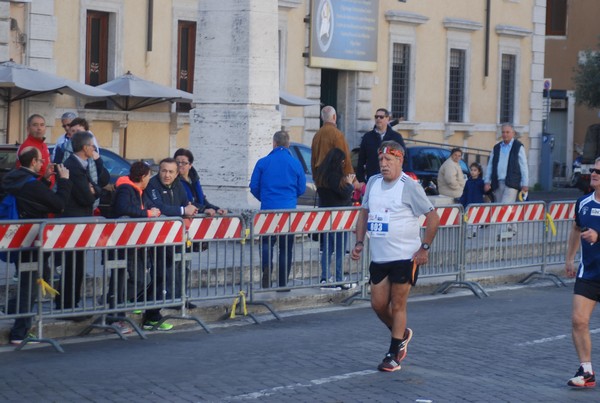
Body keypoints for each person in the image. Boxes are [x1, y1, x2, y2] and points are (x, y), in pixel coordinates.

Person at [351, 140, 440, 372]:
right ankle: (402, 334)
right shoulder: (373, 182)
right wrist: (359, 242)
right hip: (380, 256)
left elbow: (433, 218)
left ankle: (393, 354)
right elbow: (364, 213)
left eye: (388, 160)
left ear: (399, 160)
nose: (383, 164)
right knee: (378, 305)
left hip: (405, 256)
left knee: (398, 304)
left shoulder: (409, 186)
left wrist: (425, 248)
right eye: (381, 159)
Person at [3, 146, 72, 344]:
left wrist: (43, 180)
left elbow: (29, 199)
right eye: (40, 160)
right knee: (29, 285)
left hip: (17, 238)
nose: (43, 163)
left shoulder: (14, 178)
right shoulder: (31, 185)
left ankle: (16, 317)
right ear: (33, 161)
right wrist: (64, 181)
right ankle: (19, 332)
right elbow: (58, 204)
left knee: (31, 282)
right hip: (31, 240)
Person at [57, 131, 110, 314]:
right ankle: (67, 303)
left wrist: (94, 190)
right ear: (86, 147)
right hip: (74, 220)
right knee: (73, 266)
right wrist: (94, 192)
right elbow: (86, 197)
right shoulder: (73, 166)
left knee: (77, 264)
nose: (94, 150)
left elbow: (98, 186)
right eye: (93, 147)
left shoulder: (83, 165)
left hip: (80, 221)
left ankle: (70, 302)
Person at [144, 157, 198, 330]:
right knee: (158, 275)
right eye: (163, 171)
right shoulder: (153, 185)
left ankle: (153, 311)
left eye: (170, 172)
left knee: (166, 275)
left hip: (173, 238)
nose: (166, 175)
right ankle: (150, 315)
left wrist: (203, 209)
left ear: (176, 174)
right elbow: (158, 207)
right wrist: (183, 211)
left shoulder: (178, 185)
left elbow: (187, 204)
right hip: (155, 237)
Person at [250, 130, 306, 289]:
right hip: (288, 211)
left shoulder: (263, 162)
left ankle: (267, 271)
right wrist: (290, 197)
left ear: (274, 143)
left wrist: (265, 198)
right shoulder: (295, 163)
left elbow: (253, 186)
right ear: (288, 144)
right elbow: (301, 188)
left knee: (267, 243)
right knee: (285, 247)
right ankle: (283, 281)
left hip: (267, 209)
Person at [565, 157, 600, 388]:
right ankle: (586, 372)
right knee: (578, 320)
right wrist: (569, 258)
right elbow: (576, 229)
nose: (594, 173)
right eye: (594, 170)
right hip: (589, 273)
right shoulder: (583, 202)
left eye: (599, 171)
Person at [314, 147, 354, 288]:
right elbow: (344, 194)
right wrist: (349, 184)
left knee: (327, 248)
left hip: (326, 216)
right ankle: (338, 278)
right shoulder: (335, 177)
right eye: (343, 162)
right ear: (338, 161)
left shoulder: (321, 175)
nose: (343, 165)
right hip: (339, 217)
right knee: (340, 249)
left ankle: (325, 277)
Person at [356, 108, 406, 185]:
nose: (378, 119)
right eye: (376, 117)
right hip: (372, 179)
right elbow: (361, 160)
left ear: (388, 119)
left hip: (392, 180)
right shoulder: (367, 137)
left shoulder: (396, 137)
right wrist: (361, 180)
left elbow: (404, 158)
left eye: (381, 117)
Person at [173, 148, 227, 217]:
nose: (180, 165)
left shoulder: (194, 180)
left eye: (184, 163)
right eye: (177, 162)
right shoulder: (172, 181)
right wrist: (203, 209)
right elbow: (184, 201)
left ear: (190, 165)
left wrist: (216, 209)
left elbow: (202, 199)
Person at [483, 123, 528, 203]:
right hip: (497, 182)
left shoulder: (518, 147)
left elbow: (523, 166)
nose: (505, 134)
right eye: (503, 132)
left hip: (511, 183)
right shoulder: (496, 147)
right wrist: (487, 181)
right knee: (498, 208)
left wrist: (525, 183)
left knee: (505, 207)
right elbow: (490, 165)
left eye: (507, 132)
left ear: (513, 133)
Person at [311, 106, 355, 183]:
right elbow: (345, 158)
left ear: (322, 118)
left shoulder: (317, 135)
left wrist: (316, 178)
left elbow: (313, 160)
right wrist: (352, 179)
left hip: (320, 179)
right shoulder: (337, 135)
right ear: (334, 117)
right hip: (335, 180)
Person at [16, 114, 55, 188]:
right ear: (28, 128)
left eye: (42, 125)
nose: (39, 128)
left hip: (46, 188)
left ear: (45, 128)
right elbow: (26, 176)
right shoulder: (28, 147)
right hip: (36, 190)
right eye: (35, 125)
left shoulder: (43, 144)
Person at [459, 162, 485, 238]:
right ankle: (469, 232)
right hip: (469, 204)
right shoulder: (468, 182)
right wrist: (461, 202)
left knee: (476, 219)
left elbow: (484, 192)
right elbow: (465, 193)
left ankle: (474, 231)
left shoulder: (481, 182)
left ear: (479, 172)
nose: (473, 172)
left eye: (475, 170)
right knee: (468, 219)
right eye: (471, 170)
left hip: (478, 204)